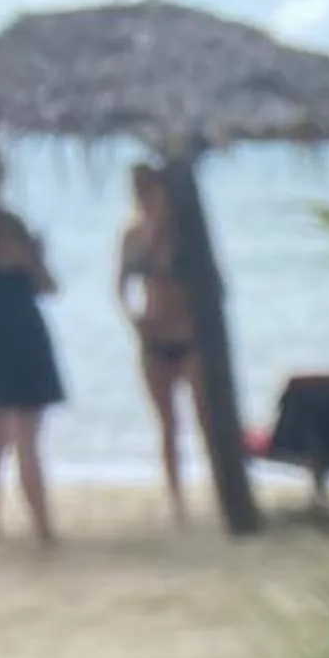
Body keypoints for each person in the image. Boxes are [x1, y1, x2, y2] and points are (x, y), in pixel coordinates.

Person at [0, 144, 62, 545]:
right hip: (22, 335)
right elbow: (47, 285)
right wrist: (37, 256)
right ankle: (40, 526)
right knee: (25, 439)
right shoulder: (13, 227)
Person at [118, 163, 198, 526]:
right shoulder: (133, 236)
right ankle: (176, 497)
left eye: (152, 192)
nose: (147, 200)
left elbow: (206, 288)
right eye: (141, 193)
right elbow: (121, 286)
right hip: (154, 337)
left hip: (189, 337)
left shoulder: (183, 236)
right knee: (167, 424)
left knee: (206, 417)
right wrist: (133, 319)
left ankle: (222, 485)